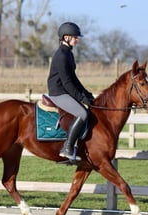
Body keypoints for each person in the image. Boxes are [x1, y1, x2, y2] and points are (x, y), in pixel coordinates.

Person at [47, 22, 94, 161]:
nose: (77, 39)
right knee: (82, 113)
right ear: (66, 37)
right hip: (58, 92)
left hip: (65, 90)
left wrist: (86, 93)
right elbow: (67, 82)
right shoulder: (61, 55)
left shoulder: (68, 54)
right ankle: (67, 147)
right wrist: (80, 98)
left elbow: (73, 78)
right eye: (75, 37)